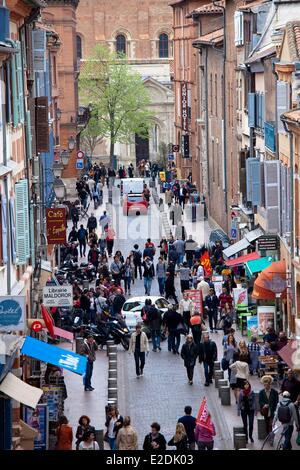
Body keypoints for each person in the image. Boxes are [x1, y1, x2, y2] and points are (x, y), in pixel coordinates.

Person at [259, 375, 279, 440]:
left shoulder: (275, 392)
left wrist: (276, 410)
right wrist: (264, 405)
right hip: (265, 412)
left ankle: (271, 437)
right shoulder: (261, 392)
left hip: (273, 411)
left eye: (267, 385)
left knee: (271, 424)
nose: (266, 386)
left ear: (270, 384)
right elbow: (260, 401)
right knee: (267, 424)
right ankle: (269, 435)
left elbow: (277, 402)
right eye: (264, 385)